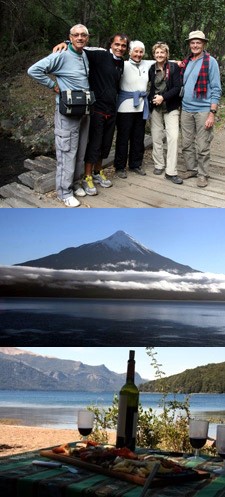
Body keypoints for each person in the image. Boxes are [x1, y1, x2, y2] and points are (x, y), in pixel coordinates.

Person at [53, 33, 128, 195]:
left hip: (111, 109)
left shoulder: (121, 62)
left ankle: (97, 172)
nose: (120, 48)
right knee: (94, 143)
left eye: (123, 46)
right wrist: (66, 42)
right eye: (117, 44)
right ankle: (87, 176)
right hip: (96, 108)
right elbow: (80, 46)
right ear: (111, 44)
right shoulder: (100, 54)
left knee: (106, 144)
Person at [28, 24, 91, 207]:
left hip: (84, 110)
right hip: (67, 112)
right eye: (76, 35)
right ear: (70, 37)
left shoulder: (85, 54)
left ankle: (76, 183)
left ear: (87, 38)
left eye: (83, 35)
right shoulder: (61, 55)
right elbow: (34, 70)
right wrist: (52, 85)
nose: (80, 38)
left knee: (80, 151)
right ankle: (64, 192)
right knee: (67, 152)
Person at [180, 30, 222, 188]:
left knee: (203, 145)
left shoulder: (210, 62)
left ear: (203, 44)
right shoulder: (188, 61)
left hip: (204, 109)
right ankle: (191, 169)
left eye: (198, 42)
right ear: (189, 44)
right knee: (186, 143)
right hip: (186, 108)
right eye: (192, 42)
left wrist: (212, 113)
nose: (195, 45)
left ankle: (203, 174)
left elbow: (217, 89)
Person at [114, 40, 154, 178]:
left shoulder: (147, 64)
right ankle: (120, 167)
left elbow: (164, 60)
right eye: (135, 51)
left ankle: (135, 164)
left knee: (138, 137)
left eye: (141, 51)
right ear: (130, 52)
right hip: (125, 106)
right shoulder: (122, 65)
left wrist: (181, 63)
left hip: (141, 106)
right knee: (123, 137)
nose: (138, 54)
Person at [148, 42, 183, 184]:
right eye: (157, 53)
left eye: (162, 52)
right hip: (155, 107)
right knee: (156, 136)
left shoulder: (173, 67)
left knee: (173, 137)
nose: (159, 55)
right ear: (153, 54)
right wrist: (153, 99)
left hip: (171, 106)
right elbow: (150, 87)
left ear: (167, 54)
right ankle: (159, 164)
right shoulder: (151, 68)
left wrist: (163, 97)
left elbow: (177, 87)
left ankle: (171, 171)